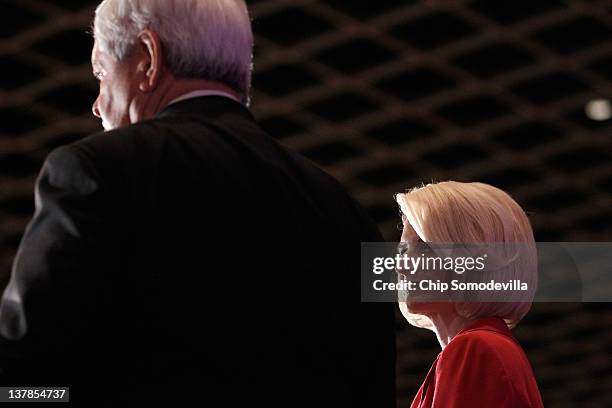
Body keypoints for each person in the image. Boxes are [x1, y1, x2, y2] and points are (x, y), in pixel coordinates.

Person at [0, 1, 395, 406]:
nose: (97, 104)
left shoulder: (98, 171)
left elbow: (27, 371)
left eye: (101, 74)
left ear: (149, 60)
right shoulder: (350, 216)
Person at [395, 181, 543, 408]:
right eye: (404, 250)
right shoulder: (482, 347)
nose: (402, 266)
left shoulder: (475, 349)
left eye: (425, 247)